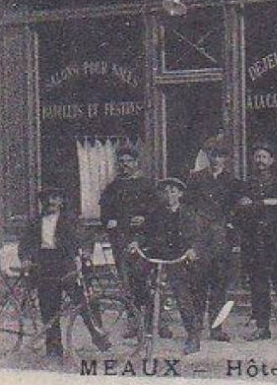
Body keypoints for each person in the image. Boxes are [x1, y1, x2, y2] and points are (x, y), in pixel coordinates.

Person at [19, 187, 110, 359]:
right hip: (44, 264)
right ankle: (54, 351)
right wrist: (25, 259)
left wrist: (86, 252)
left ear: (61, 201)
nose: (51, 202)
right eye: (46, 198)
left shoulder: (71, 220)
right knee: (49, 309)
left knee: (84, 301)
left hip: (67, 264)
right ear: (42, 202)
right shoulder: (35, 222)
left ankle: (99, 337)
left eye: (55, 198)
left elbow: (86, 238)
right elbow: (25, 244)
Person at [233, 140, 277, 340]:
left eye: (264, 157)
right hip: (254, 242)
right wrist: (266, 203)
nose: (260, 161)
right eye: (257, 157)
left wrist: (257, 204)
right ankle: (262, 328)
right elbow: (239, 209)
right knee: (258, 286)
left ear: (271, 160)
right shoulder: (246, 185)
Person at [131, 178, 203, 353]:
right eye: (165, 191)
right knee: (149, 291)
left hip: (179, 259)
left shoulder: (188, 214)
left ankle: (193, 336)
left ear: (180, 193)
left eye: (173, 191)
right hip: (158, 258)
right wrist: (136, 243)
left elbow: (197, 237)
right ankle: (149, 331)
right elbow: (145, 233)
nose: (169, 195)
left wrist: (193, 250)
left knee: (182, 297)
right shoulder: (156, 213)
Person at [185, 137, 240, 342]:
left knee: (220, 284)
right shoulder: (196, 179)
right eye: (213, 155)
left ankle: (216, 328)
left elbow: (237, 208)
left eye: (220, 155)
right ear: (207, 156)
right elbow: (187, 207)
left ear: (225, 158)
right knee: (198, 283)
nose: (216, 159)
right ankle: (196, 327)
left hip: (221, 238)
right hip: (200, 238)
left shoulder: (232, 182)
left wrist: (230, 224)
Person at [98, 145, 155, 333]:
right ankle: (133, 322)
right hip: (121, 240)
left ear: (136, 162)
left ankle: (152, 322)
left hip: (143, 239)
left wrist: (146, 219)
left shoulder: (147, 185)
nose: (124, 165)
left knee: (144, 279)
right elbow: (104, 212)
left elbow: (158, 211)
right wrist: (109, 221)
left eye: (128, 161)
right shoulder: (113, 187)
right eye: (121, 162)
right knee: (126, 281)